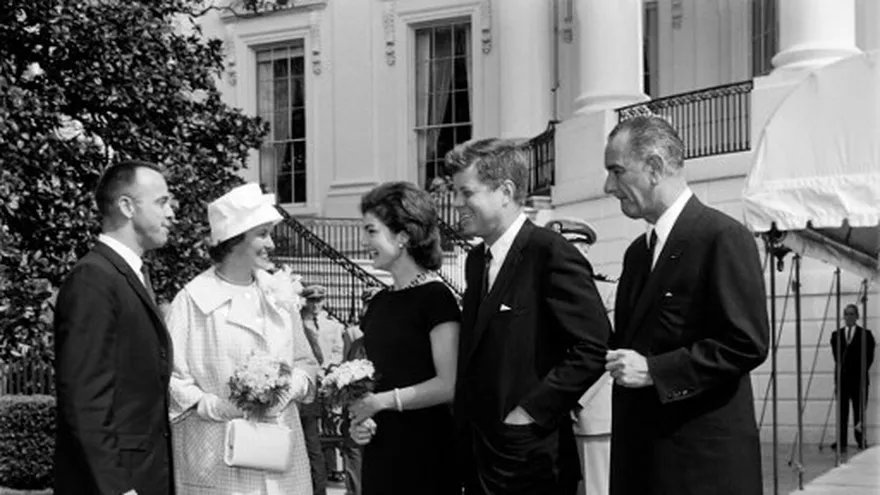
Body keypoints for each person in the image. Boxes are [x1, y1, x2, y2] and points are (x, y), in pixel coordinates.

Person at [602, 115, 769, 495]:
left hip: (700, 469)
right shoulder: (637, 254)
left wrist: (655, 371)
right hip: (643, 464)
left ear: (654, 167)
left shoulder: (722, 237)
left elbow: (747, 343)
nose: (608, 186)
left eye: (617, 171)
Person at [446, 139, 612, 494]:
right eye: (456, 192)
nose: (457, 202)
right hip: (479, 460)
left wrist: (530, 413)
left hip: (532, 462)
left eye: (466, 192)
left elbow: (594, 346)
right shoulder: (476, 261)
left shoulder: (550, 252)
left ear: (505, 192)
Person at [166, 183, 318, 494]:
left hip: (280, 459)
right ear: (234, 239)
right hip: (216, 460)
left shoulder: (279, 293)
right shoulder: (192, 300)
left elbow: (305, 361)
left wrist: (288, 389)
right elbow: (173, 380)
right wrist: (217, 407)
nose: (271, 243)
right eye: (262, 234)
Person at [53, 160, 176, 495]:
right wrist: (118, 489)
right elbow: (85, 402)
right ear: (127, 207)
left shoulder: (129, 275)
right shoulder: (93, 279)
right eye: (162, 202)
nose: (171, 213)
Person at [347, 181, 461, 495]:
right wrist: (360, 423)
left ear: (403, 236)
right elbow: (373, 380)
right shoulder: (378, 303)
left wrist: (380, 402)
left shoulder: (436, 298)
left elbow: (449, 384)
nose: (364, 241)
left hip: (426, 452)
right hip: (381, 451)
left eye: (371, 231)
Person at [546, 218, 613, 495]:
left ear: (585, 251)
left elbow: (608, 353)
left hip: (588, 410)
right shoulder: (544, 293)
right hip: (552, 416)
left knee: (598, 489)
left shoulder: (606, 292)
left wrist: (573, 399)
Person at [299, 284, 346, 494]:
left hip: (326, 383)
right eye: (312, 300)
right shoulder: (298, 323)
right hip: (306, 385)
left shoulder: (333, 326)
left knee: (328, 434)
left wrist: (328, 368)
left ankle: (327, 476)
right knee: (311, 440)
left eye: (319, 300)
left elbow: (338, 351)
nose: (316, 304)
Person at [338, 286, 383, 495]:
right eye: (367, 304)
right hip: (355, 407)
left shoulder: (390, 340)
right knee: (354, 458)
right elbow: (346, 368)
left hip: (379, 407)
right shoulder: (356, 340)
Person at [830, 303, 875, 451]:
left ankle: (860, 440)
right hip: (842, 380)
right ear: (844, 316)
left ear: (857, 316)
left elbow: (869, 357)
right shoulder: (836, 335)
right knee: (842, 413)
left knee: (859, 412)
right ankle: (841, 441)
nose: (849, 317)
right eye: (846, 314)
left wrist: (859, 372)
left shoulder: (866, 335)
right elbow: (837, 357)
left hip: (859, 380)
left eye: (852, 314)